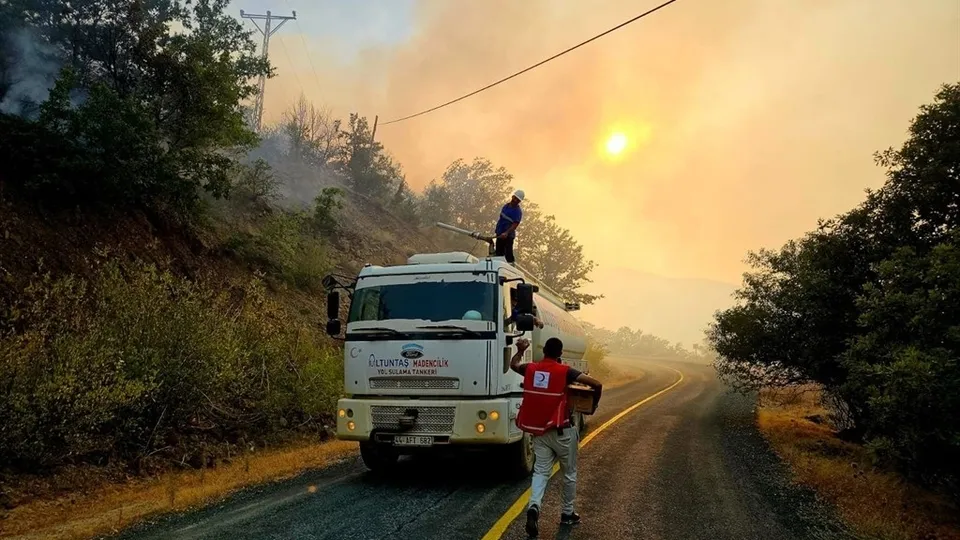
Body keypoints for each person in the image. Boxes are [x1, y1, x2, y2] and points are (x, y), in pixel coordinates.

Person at [510, 337, 603, 538]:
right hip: (563, 432)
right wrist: (592, 406)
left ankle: (534, 507)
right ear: (560, 353)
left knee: (541, 472)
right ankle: (567, 513)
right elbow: (596, 384)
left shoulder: (531, 369)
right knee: (568, 473)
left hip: (539, 433)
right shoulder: (566, 372)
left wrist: (520, 349)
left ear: (544, 352)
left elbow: (514, 364)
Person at [494, 190, 524, 263]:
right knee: (499, 253)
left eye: (518, 200)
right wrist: (498, 230)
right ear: (512, 197)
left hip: (508, 236)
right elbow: (501, 219)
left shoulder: (517, 211)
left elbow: (515, 225)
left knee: (508, 254)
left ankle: (511, 267)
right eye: (515, 198)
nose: (515, 200)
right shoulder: (505, 206)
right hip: (500, 234)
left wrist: (506, 233)